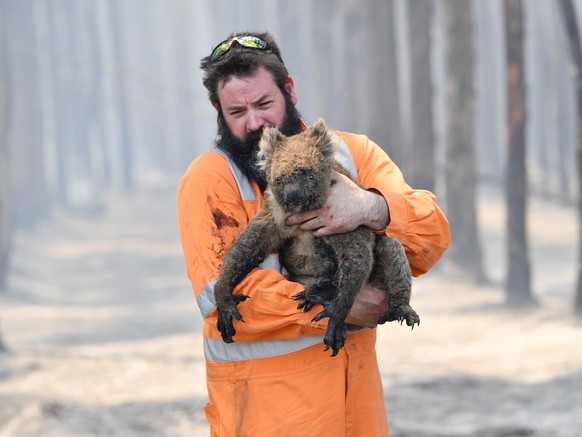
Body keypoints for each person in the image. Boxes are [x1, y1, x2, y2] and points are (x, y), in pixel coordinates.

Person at [177, 31, 450, 437]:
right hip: (265, 419)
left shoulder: (350, 154)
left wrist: (373, 207)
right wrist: (334, 307)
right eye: (237, 111)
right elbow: (219, 295)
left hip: (357, 413)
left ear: (289, 90)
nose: (254, 122)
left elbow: (431, 237)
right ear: (218, 111)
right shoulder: (211, 179)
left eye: (264, 103)